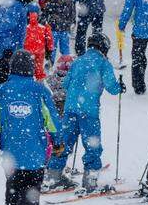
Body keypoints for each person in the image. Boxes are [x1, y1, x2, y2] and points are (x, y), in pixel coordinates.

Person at [0, 50, 63, 205]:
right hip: (35, 154)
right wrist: (58, 141)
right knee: (30, 193)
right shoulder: (40, 91)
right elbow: (51, 120)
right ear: (30, 68)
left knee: (13, 189)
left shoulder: (2, 91)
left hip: (12, 154)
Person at [44, 34, 121, 192]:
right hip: (88, 111)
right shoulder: (102, 63)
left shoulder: (77, 61)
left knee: (64, 141)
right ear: (104, 47)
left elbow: (65, 83)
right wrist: (121, 86)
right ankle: (90, 180)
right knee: (92, 144)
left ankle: (53, 175)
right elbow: (112, 88)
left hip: (70, 108)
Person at [43, 0, 76, 65]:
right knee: (65, 47)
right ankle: (66, 64)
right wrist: (69, 23)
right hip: (65, 28)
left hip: (53, 28)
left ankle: (50, 63)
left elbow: (46, 12)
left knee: (52, 47)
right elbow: (73, 14)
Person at [23, 11, 54, 81]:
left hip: (28, 52)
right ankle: (40, 84)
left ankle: (28, 84)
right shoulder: (43, 27)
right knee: (39, 70)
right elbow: (49, 39)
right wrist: (50, 49)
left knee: (28, 70)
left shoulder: (25, 28)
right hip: (40, 52)